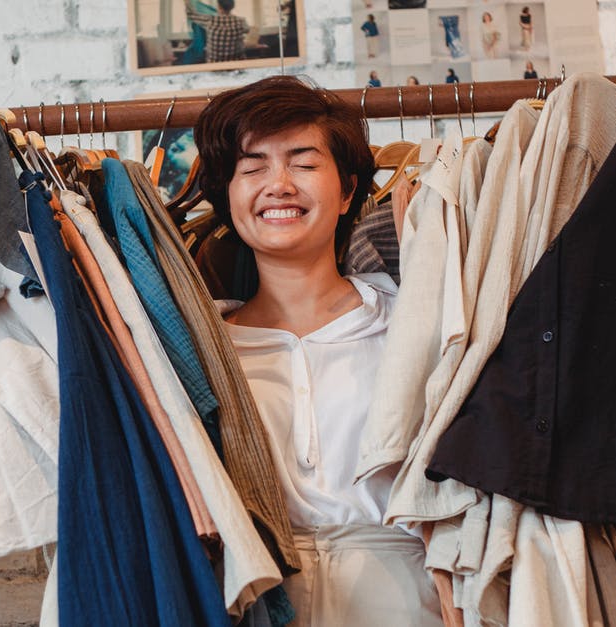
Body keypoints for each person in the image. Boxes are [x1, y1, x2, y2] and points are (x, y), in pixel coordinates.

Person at [194, 75, 444, 626]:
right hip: (256, 598)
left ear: (348, 190)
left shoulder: (411, 317)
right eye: (252, 167)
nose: (278, 184)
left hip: (406, 599)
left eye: (303, 164)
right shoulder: (199, 347)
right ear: (228, 196)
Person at [184, 0, 250, 63]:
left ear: (219, 6)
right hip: (236, 65)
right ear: (232, 6)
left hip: (215, 66)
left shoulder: (210, 20)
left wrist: (187, 2)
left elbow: (191, 15)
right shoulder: (241, 21)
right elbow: (249, 30)